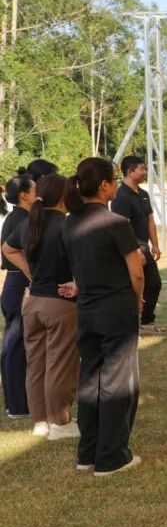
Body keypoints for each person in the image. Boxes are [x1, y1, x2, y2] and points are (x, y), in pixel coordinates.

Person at [61, 158, 145, 476]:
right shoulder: (116, 222)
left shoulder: (69, 223)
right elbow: (136, 272)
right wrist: (138, 300)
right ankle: (111, 457)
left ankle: (87, 453)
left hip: (87, 310)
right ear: (104, 186)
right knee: (118, 383)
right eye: (114, 180)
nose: (116, 185)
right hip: (116, 309)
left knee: (90, 380)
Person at [2, 175, 80, 439]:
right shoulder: (67, 224)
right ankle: (60, 422)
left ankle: (41, 422)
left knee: (36, 364)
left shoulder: (29, 223)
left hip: (32, 303)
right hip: (60, 304)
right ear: (63, 196)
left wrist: (30, 273)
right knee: (60, 365)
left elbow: (7, 249)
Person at [112, 155, 165, 334]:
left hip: (144, 248)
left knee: (154, 284)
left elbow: (150, 220)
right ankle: (130, 324)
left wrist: (155, 244)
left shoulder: (143, 194)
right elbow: (122, 227)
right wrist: (134, 250)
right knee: (132, 287)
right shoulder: (121, 196)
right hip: (131, 250)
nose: (145, 172)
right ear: (129, 172)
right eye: (141, 169)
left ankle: (147, 321)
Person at [1, 174, 36, 418]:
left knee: (15, 345)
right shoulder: (21, 219)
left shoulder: (18, 217)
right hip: (20, 284)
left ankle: (17, 402)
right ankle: (17, 405)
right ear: (23, 195)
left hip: (16, 284)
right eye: (34, 189)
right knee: (16, 347)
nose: (38, 193)